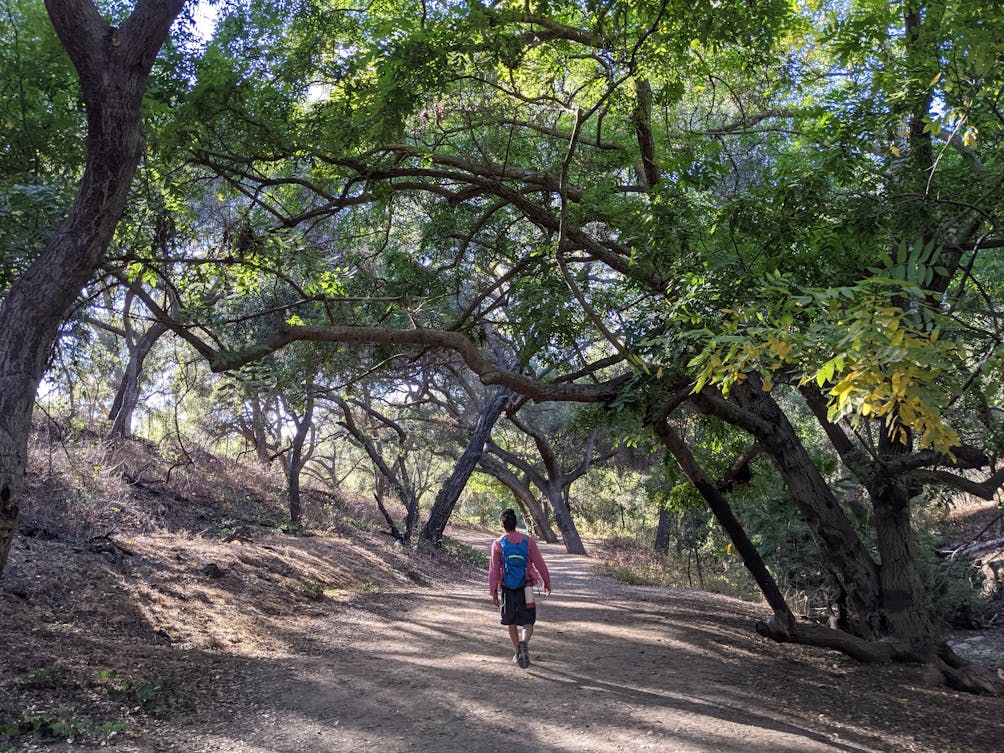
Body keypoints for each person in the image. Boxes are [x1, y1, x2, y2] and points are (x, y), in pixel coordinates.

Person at [489, 508, 551, 668]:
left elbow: (494, 570)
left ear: (502, 524)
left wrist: (494, 591)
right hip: (527, 586)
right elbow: (539, 563)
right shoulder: (528, 541)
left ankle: (518, 651)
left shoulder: (498, 544)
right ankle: (524, 642)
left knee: (511, 621)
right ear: (516, 523)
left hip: (507, 587)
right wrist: (546, 581)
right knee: (528, 621)